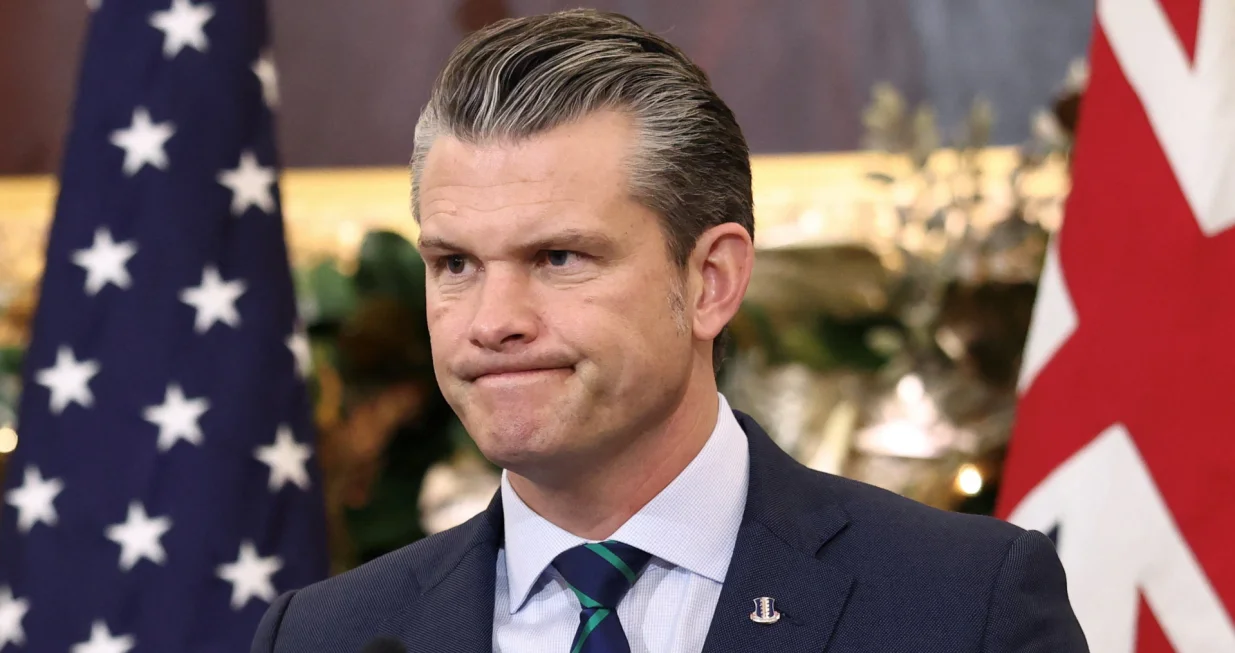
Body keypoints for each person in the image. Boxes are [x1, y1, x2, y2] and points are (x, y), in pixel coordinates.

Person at [252, 9, 1088, 652]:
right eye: (455, 264)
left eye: (558, 257)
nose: (492, 321)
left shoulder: (961, 603)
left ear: (709, 280)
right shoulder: (323, 636)